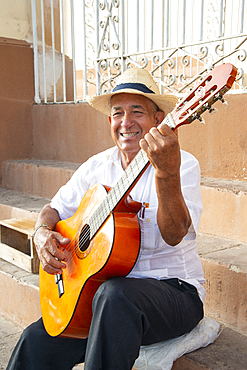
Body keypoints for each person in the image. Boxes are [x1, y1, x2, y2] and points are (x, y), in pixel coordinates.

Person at [7, 68, 205, 370]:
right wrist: (41, 234)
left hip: (174, 293)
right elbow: (52, 210)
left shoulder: (182, 164)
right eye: (117, 113)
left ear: (159, 119)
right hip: (101, 298)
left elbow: (175, 233)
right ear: (109, 121)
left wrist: (166, 173)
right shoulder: (96, 167)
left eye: (137, 112)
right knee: (36, 340)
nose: (126, 122)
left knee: (115, 297)